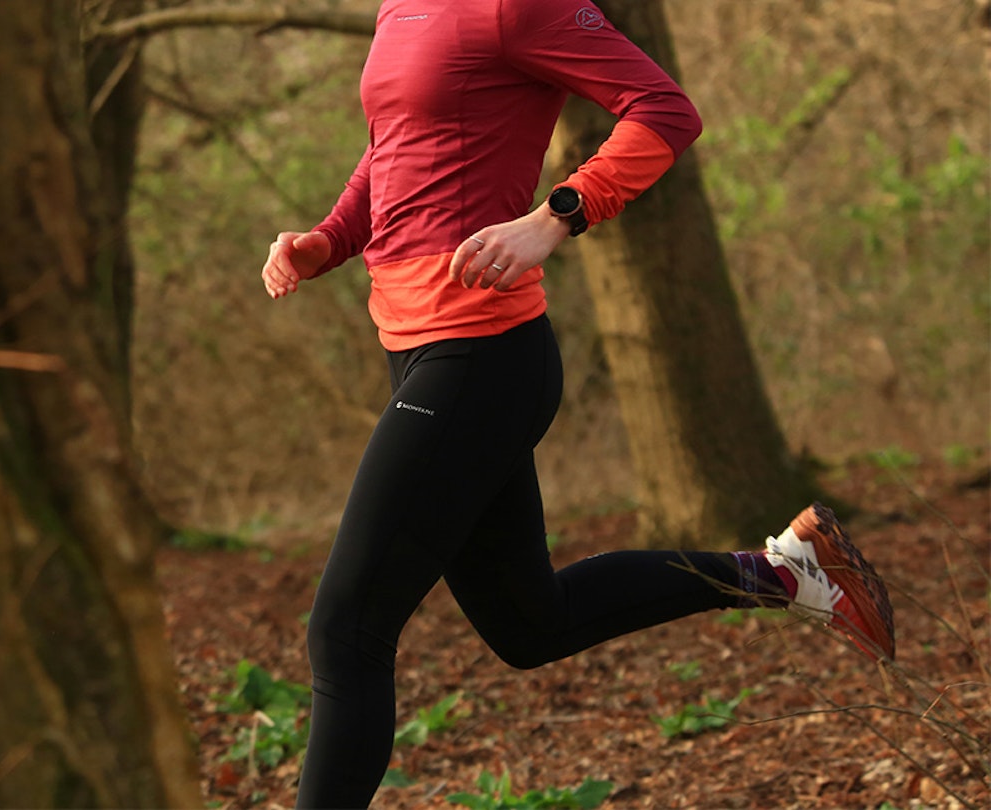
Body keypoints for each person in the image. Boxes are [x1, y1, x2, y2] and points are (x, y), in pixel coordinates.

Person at [258, 1, 896, 807]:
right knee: (532, 625)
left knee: (346, 631)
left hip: (481, 357)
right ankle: (787, 573)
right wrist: (327, 239)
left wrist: (555, 217)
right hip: (413, 349)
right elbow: (392, 146)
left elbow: (667, 112)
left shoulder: (516, 6)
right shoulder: (400, 7)